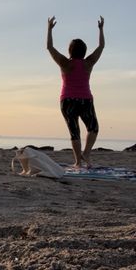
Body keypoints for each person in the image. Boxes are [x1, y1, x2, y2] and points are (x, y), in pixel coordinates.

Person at [46, 16, 105, 168]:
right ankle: (86, 153)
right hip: (85, 99)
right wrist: (101, 29)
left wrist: (49, 29)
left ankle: (78, 162)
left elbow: (50, 48)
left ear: (70, 50)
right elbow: (101, 47)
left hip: (67, 100)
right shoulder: (88, 63)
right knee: (93, 128)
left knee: (74, 132)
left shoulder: (65, 63)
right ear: (84, 51)